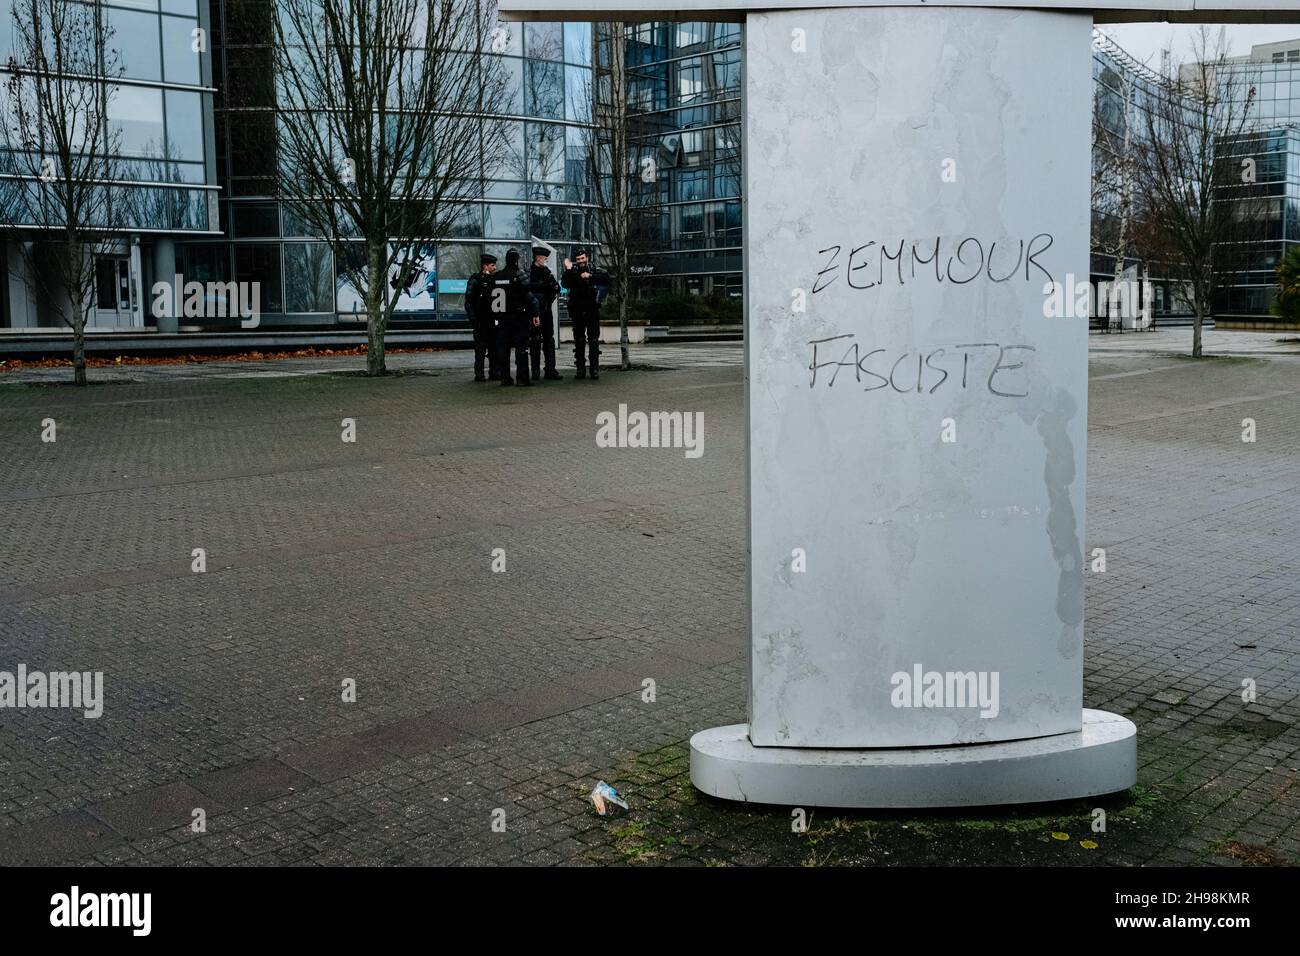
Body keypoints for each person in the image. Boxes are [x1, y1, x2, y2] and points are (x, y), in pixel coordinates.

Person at [491, 249, 538, 386]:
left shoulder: (497, 276)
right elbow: (528, 295)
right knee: (521, 348)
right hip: (518, 317)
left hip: (501, 318)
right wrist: (535, 313)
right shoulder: (518, 275)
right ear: (516, 260)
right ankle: (522, 378)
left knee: (503, 349)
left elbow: (491, 298)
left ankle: (505, 378)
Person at [561, 248, 611, 380]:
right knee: (579, 340)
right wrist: (569, 269)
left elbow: (607, 279)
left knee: (594, 340)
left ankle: (594, 369)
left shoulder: (595, 269)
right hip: (577, 310)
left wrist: (590, 276)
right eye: (578, 260)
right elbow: (565, 283)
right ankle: (580, 370)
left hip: (592, 309)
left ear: (587, 257)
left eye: (582, 258)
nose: (581, 261)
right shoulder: (573, 271)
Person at [528, 247, 563, 381]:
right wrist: (544, 286)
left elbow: (556, 288)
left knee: (549, 339)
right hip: (535, 312)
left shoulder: (547, 272)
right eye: (544, 258)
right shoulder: (530, 272)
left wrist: (548, 286)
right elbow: (529, 289)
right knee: (535, 340)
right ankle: (535, 371)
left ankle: (550, 369)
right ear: (538, 257)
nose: (546, 261)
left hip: (546, 309)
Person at [463, 253, 498, 382]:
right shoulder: (475, 280)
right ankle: (479, 374)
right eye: (492, 265)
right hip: (481, 320)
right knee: (481, 349)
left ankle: (494, 372)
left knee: (494, 347)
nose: (495, 268)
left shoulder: (494, 280)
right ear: (485, 266)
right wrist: (474, 320)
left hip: (492, 320)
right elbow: (468, 302)